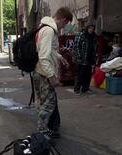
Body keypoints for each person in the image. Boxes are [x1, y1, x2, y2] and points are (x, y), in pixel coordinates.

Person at [32, 7, 73, 138]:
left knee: (42, 102)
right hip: (43, 73)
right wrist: (51, 76)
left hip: (39, 72)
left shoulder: (44, 27)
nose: (64, 27)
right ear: (63, 19)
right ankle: (42, 133)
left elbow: (48, 50)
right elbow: (44, 57)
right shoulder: (49, 30)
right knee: (49, 103)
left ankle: (43, 130)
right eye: (65, 24)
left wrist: (60, 58)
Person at [73, 23, 97, 95]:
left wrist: (93, 59)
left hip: (89, 58)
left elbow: (94, 48)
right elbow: (76, 46)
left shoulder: (93, 36)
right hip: (81, 59)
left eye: (92, 29)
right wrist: (79, 56)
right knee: (80, 74)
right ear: (87, 28)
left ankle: (85, 88)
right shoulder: (81, 35)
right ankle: (77, 89)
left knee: (88, 74)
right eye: (90, 28)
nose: (91, 30)